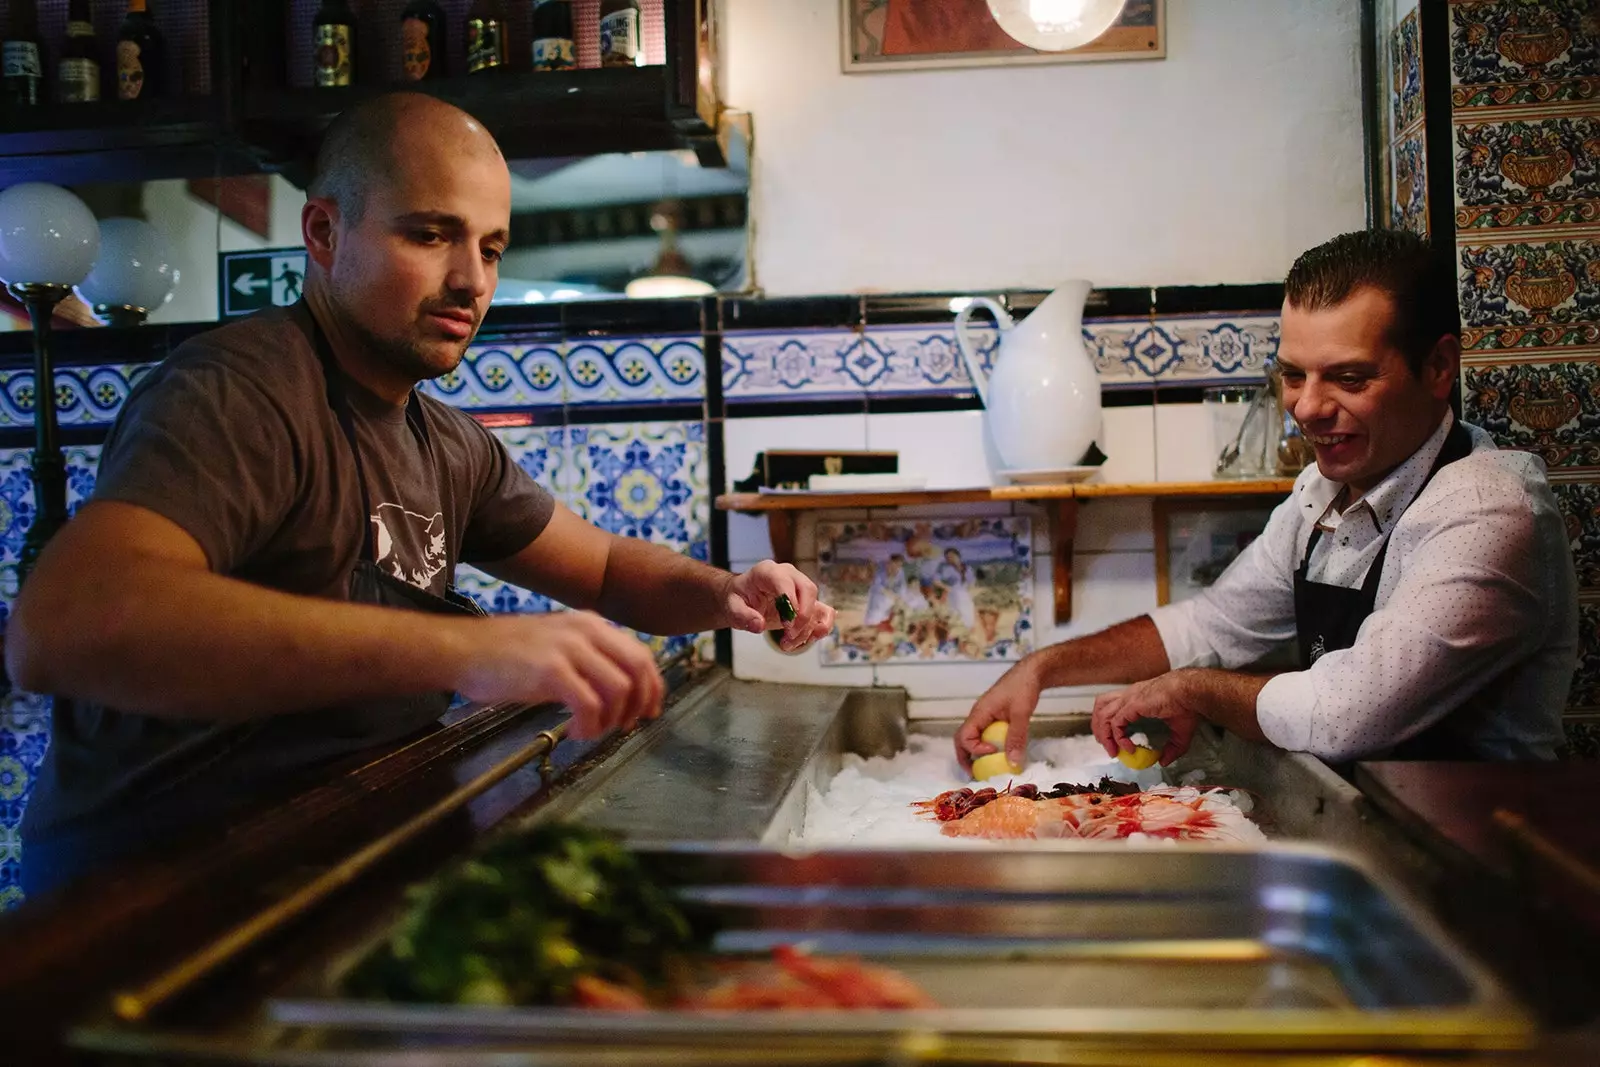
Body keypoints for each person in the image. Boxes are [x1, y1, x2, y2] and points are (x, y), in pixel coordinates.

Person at [7, 93, 835, 894]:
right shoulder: (239, 392)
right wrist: (471, 653)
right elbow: (66, 627)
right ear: (325, 232)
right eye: (431, 235)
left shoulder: (443, 440)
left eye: (492, 248)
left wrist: (727, 591)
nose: (472, 280)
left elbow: (610, 567)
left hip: (320, 860)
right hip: (152, 898)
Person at [957, 229, 1576, 774]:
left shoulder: (1489, 511)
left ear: (1438, 367)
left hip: (1475, 867)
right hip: (1367, 834)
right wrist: (1041, 668)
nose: (1307, 407)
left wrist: (1193, 691)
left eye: (1349, 378)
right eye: (1293, 375)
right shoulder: (1320, 495)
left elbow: (1346, 714)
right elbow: (1213, 625)